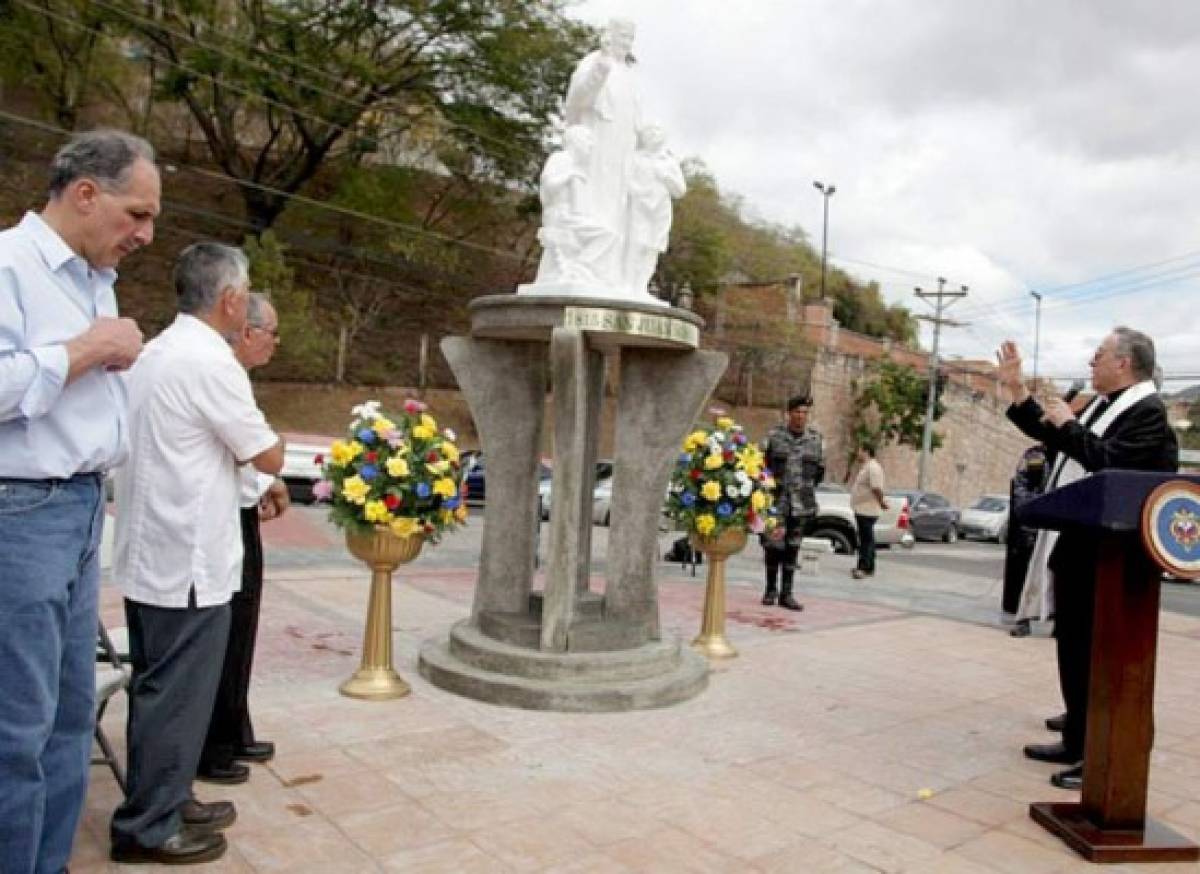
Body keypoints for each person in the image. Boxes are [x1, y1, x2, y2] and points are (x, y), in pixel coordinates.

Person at [0, 128, 158, 874]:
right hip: (21, 510)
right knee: (15, 729)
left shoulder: (95, 279)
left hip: (79, 507)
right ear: (85, 193)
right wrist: (86, 351)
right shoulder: (8, 264)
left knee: (69, 719)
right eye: (136, 213)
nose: (145, 235)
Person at [110, 243, 284, 864]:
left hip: (151, 551)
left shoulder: (157, 352)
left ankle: (168, 795)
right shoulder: (210, 362)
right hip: (186, 558)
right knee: (176, 695)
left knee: (160, 689)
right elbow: (267, 455)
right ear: (231, 299)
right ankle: (148, 825)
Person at [997, 327, 1177, 791]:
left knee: (1100, 657)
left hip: (1115, 560)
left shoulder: (1148, 413)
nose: (1091, 362)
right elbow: (1057, 438)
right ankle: (1078, 732)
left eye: (1099, 355)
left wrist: (1069, 426)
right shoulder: (1102, 405)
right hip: (1080, 547)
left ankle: (1098, 752)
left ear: (1124, 364)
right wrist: (1018, 390)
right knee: (1074, 647)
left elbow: (1106, 461)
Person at [198, 293, 289, 784]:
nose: (276, 343)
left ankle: (234, 729)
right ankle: (213, 744)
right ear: (248, 332)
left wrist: (265, 483)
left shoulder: (234, 376)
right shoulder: (214, 371)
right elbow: (255, 451)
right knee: (225, 631)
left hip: (239, 511)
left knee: (243, 625)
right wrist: (268, 477)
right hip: (216, 519)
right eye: (272, 333)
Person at [562, 17, 640, 287]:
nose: (626, 43)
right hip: (596, 142)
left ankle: (607, 271)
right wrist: (600, 71)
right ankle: (584, 266)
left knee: (617, 206)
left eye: (630, 39)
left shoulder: (629, 75)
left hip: (621, 149)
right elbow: (577, 99)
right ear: (609, 36)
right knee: (593, 203)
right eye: (621, 37)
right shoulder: (594, 62)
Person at [761, 394, 825, 610]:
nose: (800, 416)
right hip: (777, 502)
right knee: (773, 546)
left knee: (793, 548)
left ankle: (787, 594)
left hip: (801, 504)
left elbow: (819, 473)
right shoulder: (774, 437)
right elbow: (763, 467)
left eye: (804, 413)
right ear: (789, 413)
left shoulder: (816, 441)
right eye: (797, 412)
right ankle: (770, 590)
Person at [534, 125, 616, 286]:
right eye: (588, 140)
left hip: (570, 216)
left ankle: (578, 269)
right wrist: (570, 175)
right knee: (606, 234)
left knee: (606, 234)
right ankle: (580, 268)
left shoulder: (578, 167)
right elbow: (548, 185)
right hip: (559, 215)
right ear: (576, 140)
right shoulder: (561, 158)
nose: (590, 146)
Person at [623, 124, 686, 298]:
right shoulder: (634, 158)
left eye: (658, 131)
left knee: (652, 247)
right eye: (649, 132)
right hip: (639, 206)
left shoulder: (668, 161)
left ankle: (640, 286)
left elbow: (680, 190)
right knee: (635, 244)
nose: (653, 135)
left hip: (660, 209)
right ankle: (627, 284)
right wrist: (637, 192)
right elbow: (624, 181)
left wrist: (666, 177)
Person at [1001, 444, 1048, 637]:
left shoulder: (1075, 451)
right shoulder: (1037, 455)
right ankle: (1023, 619)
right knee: (1026, 573)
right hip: (1036, 527)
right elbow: (1023, 489)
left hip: (1064, 526)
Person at [849, 444, 888, 580]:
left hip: (868, 510)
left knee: (866, 540)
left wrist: (882, 502)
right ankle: (867, 565)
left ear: (866, 451)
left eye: (859, 450)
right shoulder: (866, 467)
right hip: (862, 508)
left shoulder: (873, 468)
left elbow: (876, 488)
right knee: (866, 539)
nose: (857, 453)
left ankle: (864, 567)